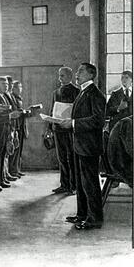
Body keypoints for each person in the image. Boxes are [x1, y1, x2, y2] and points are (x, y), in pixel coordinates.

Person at [60, 63, 106, 230]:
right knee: (80, 183)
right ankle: (82, 214)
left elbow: (98, 120)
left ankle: (95, 219)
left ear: (90, 74)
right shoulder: (83, 92)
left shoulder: (95, 94)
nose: (77, 74)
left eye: (80, 71)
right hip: (81, 145)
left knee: (90, 184)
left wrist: (73, 123)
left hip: (89, 147)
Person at [49, 67, 80, 195]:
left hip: (69, 129)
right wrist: (50, 128)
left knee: (71, 157)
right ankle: (64, 184)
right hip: (58, 129)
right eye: (59, 76)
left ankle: (73, 186)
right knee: (61, 158)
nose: (59, 78)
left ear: (69, 77)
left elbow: (78, 111)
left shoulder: (77, 91)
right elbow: (52, 110)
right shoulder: (56, 92)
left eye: (62, 76)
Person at [10, 81, 28, 178]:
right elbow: (13, 112)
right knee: (15, 150)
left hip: (21, 126)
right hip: (15, 126)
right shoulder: (11, 97)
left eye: (20, 87)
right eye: (17, 87)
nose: (19, 89)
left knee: (19, 150)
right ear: (13, 88)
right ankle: (13, 170)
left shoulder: (19, 98)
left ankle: (17, 169)